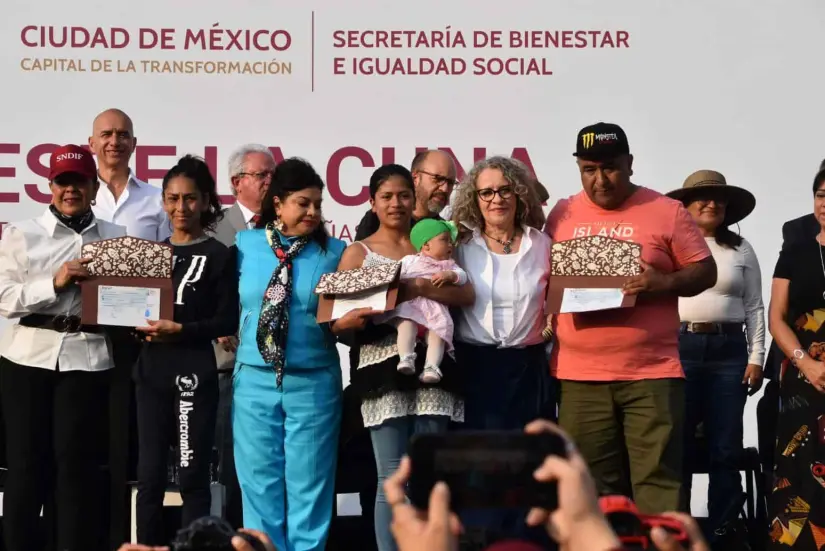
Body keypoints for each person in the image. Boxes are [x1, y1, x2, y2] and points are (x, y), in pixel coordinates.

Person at [544, 122, 717, 515]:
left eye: (610, 168)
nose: (600, 179)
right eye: (589, 169)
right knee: (591, 492)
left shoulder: (666, 211)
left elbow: (705, 272)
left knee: (658, 486)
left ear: (630, 164)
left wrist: (663, 281)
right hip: (578, 377)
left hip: (651, 374)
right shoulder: (562, 213)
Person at [332, 164, 474, 551]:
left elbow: (466, 296)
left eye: (403, 196)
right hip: (381, 372)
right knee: (390, 476)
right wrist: (363, 316)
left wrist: (414, 287)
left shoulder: (435, 246)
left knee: (428, 475)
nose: (396, 203)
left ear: (414, 197)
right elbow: (337, 323)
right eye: (386, 197)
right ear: (372, 203)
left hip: (436, 368)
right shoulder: (357, 253)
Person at [0, 145, 126, 551]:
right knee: (23, 467)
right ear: (50, 185)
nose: (70, 190)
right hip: (27, 358)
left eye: (80, 182)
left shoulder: (115, 237)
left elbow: (130, 301)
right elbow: (4, 299)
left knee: (76, 470)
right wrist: (53, 283)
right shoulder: (22, 233)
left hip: (87, 357)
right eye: (63, 182)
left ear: (94, 185)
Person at [232, 157, 346, 550]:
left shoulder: (335, 252)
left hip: (312, 381)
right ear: (277, 204)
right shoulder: (243, 246)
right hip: (254, 381)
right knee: (258, 485)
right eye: (303, 203)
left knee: (309, 487)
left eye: (318, 204)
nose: (313, 212)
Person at [131, 155, 239, 543]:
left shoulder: (220, 255)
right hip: (151, 372)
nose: (181, 208)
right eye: (173, 199)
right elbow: (129, 313)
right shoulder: (151, 255)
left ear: (206, 201)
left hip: (195, 373)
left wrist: (182, 330)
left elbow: (226, 321)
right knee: (150, 477)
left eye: (190, 199)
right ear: (162, 201)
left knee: (193, 475)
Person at [450, 155, 554, 546]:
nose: (497, 199)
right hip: (475, 370)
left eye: (504, 190)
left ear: (519, 193)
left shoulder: (542, 244)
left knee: (528, 469)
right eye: (487, 192)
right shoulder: (459, 245)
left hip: (527, 371)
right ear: (474, 199)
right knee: (479, 470)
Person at [88, 107, 172, 546]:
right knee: (92, 443)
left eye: (123, 134)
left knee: (135, 444)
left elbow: (165, 265)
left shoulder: (155, 199)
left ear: (135, 144)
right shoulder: (79, 198)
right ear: (92, 143)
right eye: (106, 134)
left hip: (140, 339)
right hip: (86, 338)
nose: (114, 142)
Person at [665, 170, 764, 539]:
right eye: (702, 198)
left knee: (726, 445)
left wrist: (756, 357)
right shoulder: (670, 246)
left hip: (729, 353)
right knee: (680, 444)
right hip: (680, 348)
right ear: (686, 207)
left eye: (719, 199)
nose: (711, 204)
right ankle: (680, 529)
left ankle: (723, 527)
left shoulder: (741, 249)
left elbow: (754, 307)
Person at [209, 143, 277, 528]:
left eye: (272, 174)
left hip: (274, 365)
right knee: (232, 467)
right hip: (226, 366)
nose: (271, 181)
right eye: (262, 174)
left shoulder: (285, 227)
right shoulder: (216, 229)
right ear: (237, 182)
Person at [766, 167, 825, 550]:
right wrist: (805, 362)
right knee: (799, 467)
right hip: (804, 374)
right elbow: (777, 317)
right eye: (821, 194)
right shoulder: (796, 249)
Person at [374, 218, 468, 383]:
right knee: (406, 326)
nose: (450, 245)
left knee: (438, 334)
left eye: (450, 241)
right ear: (426, 245)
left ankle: (432, 367)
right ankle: (406, 357)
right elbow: (395, 275)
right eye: (444, 240)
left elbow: (462, 277)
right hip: (413, 307)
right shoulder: (410, 260)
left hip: (436, 311)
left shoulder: (449, 265)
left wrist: (451, 275)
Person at [354, 150, 457, 241]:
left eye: (451, 182)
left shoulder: (447, 230)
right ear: (415, 178)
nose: (445, 189)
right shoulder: (376, 219)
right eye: (438, 179)